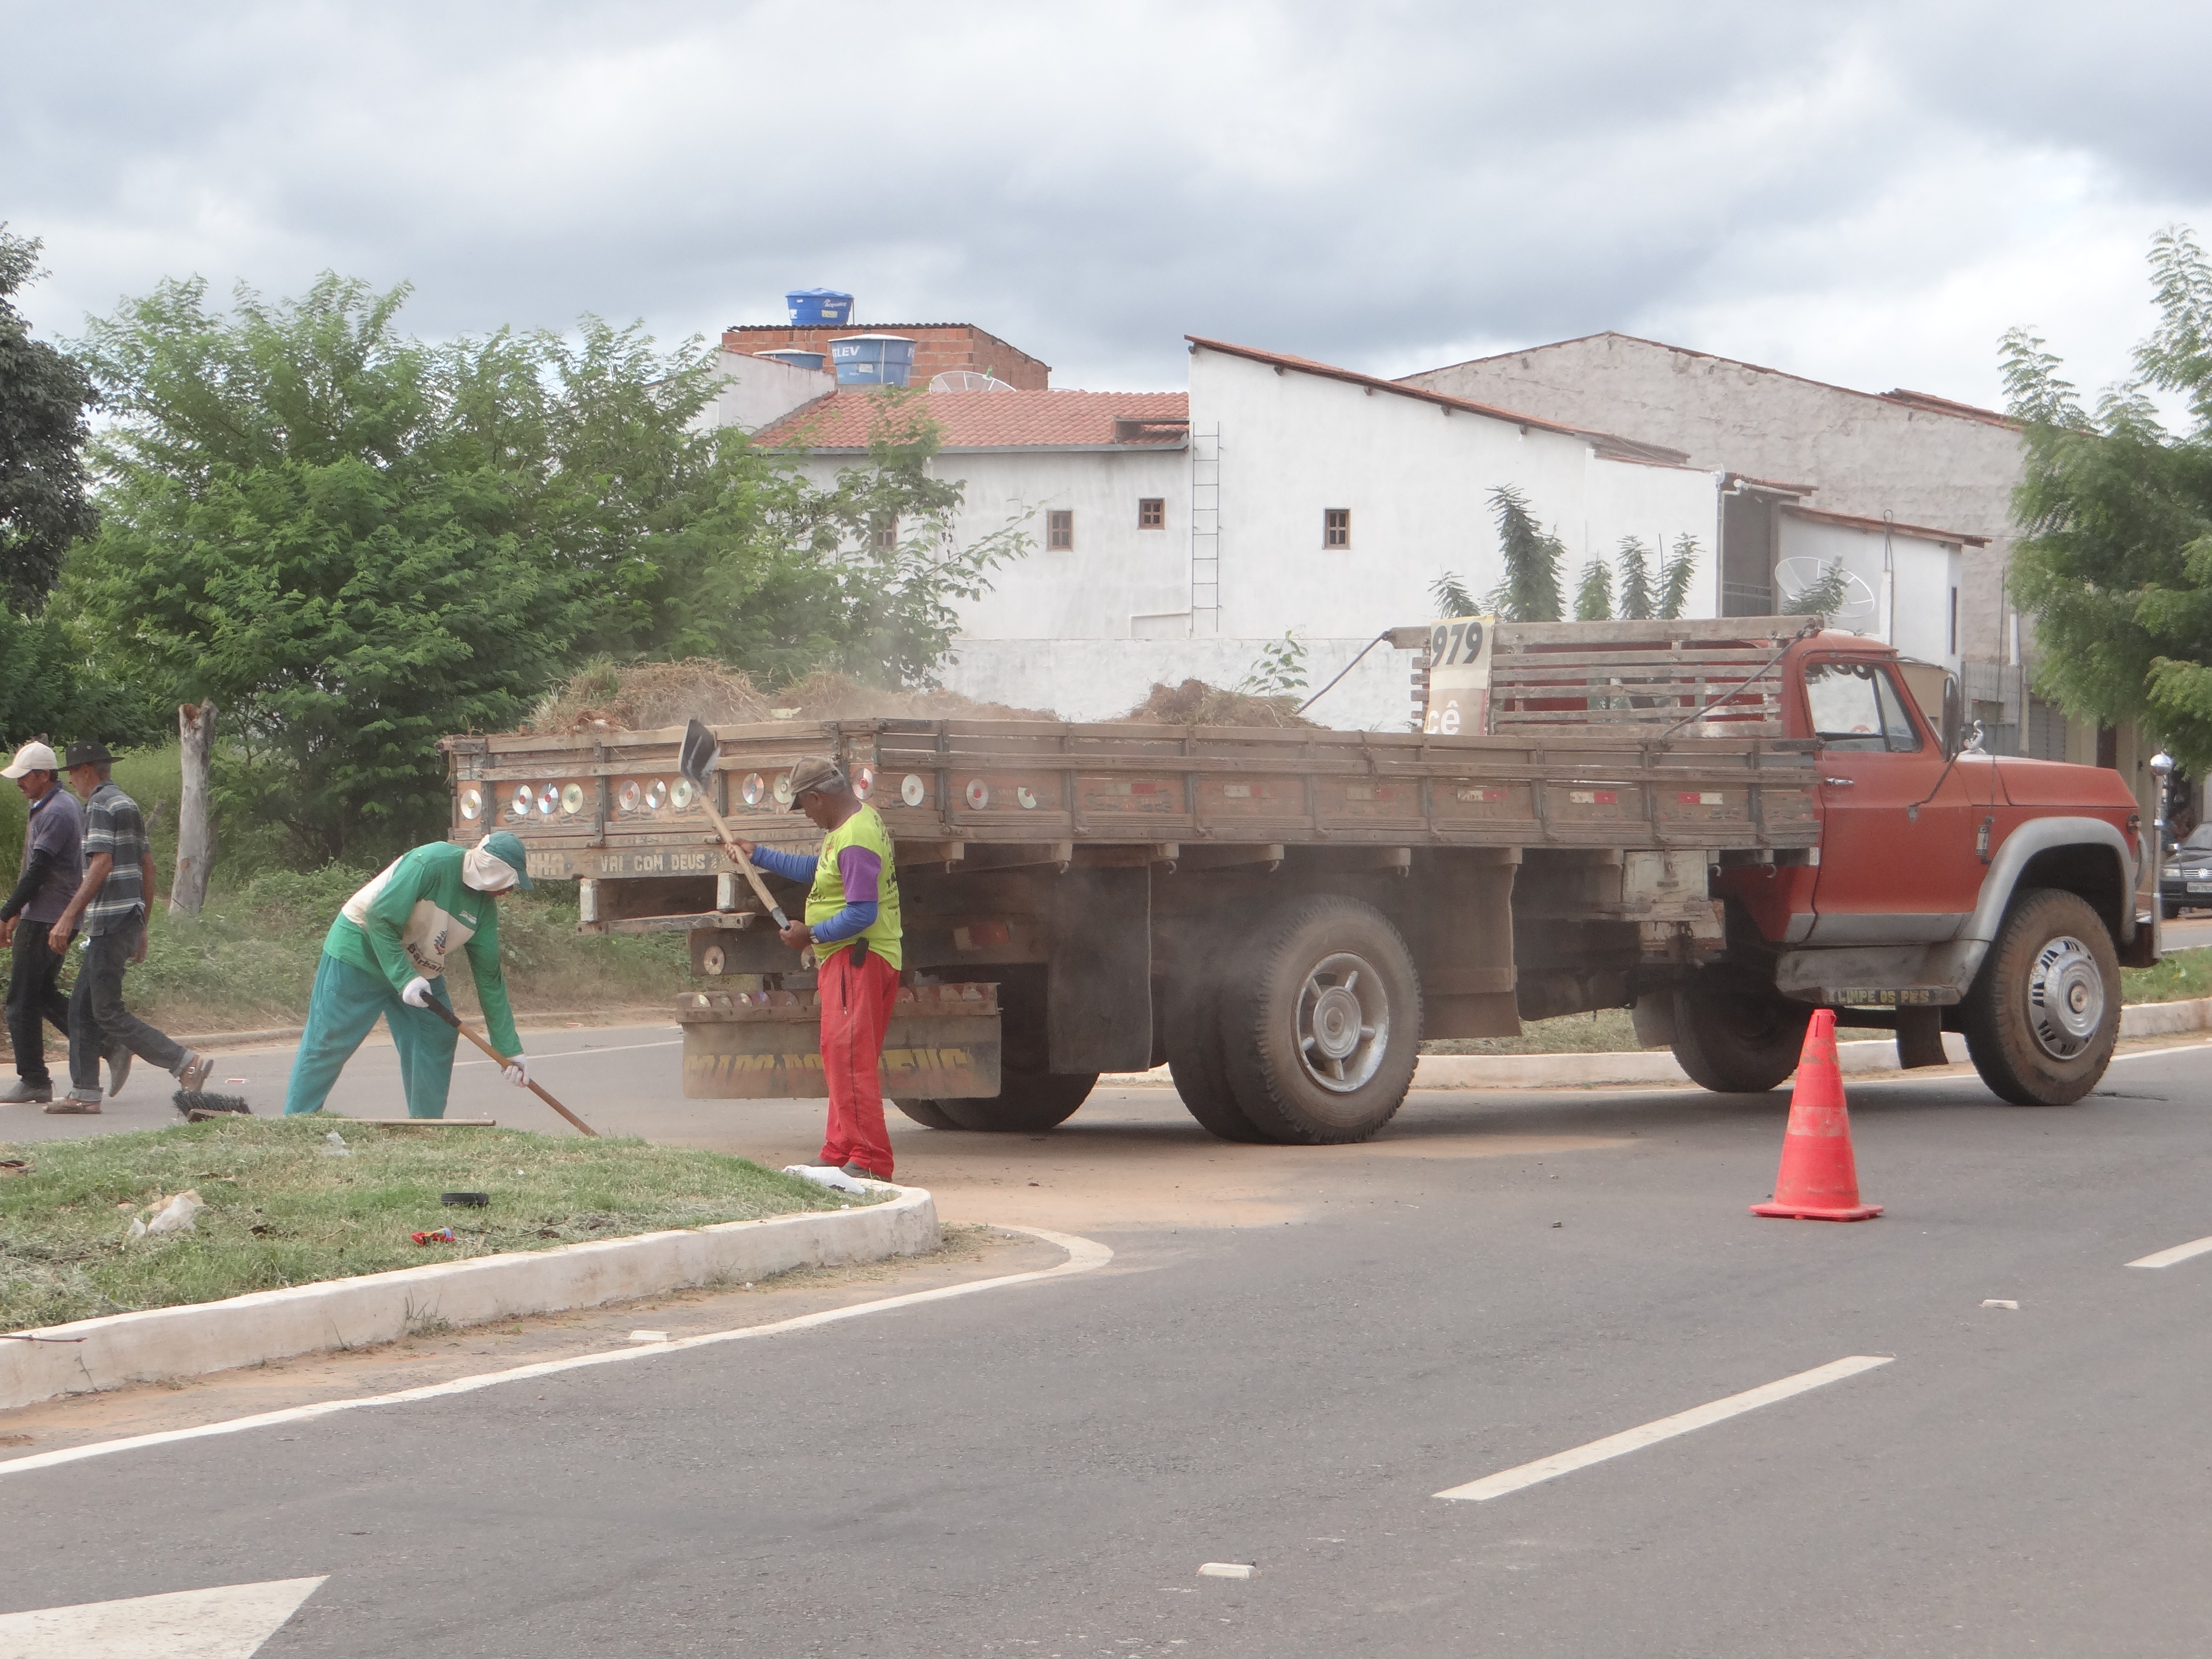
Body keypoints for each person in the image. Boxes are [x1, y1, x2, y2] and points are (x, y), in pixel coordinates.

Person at [725, 756, 903, 1181]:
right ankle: (840, 1149)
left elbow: (862, 912)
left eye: (803, 805)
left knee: (850, 1059)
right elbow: (818, 870)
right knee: (841, 1057)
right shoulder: (850, 825)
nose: (805, 814)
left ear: (818, 797)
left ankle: (871, 1160)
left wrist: (812, 935)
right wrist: (759, 854)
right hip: (853, 959)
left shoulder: (856, 838)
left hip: (857, 958)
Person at [284, 830, 537, 1120]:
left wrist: (509, 1050)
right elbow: (379, 918)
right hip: (360, 952)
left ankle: (426, 1127)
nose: (510, 890)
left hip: (418, 967)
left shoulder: (483, 911)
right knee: (329, 1039)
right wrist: (404, 978)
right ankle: (297, 1121)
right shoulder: (432, 862)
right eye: (510, 881)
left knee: (436, 1034)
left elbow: (490, 979)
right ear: (493, 872)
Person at [46, 740, 215, 1112]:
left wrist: (69, 916)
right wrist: (142, 927)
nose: (71, 780)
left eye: (72, 773)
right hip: (127, 918)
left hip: (109, 920)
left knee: (107, 1010)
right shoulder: (127, 803)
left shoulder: (99, 805)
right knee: (81, 1008)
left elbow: (101, 864)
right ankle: (85, 1093)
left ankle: (184, 1062)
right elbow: (147, 867)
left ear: (86, 771)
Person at [0, 741, 85, 1105]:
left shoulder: (58, 812)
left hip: (49, 918)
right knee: (41, 993)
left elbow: (38, 870)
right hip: (51, 914)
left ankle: (34, 1080)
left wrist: (7, 912)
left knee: (20, 1000)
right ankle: (107, 1043)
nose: (19, 783)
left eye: (25, 777)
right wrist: (18, 909)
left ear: (44, 775)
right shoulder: (53, 805)